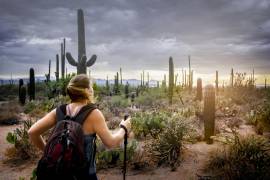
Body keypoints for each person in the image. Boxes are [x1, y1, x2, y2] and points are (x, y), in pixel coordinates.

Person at [28, 74, 131, 180]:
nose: (92, 90)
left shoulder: (59, 111)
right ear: (87, 91)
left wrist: (49, 153)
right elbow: (111, 143)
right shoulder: (94, 113)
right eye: (91, 87)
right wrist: (123, 128)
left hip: (59, 173)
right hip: (85, 175)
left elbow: (32, 132)